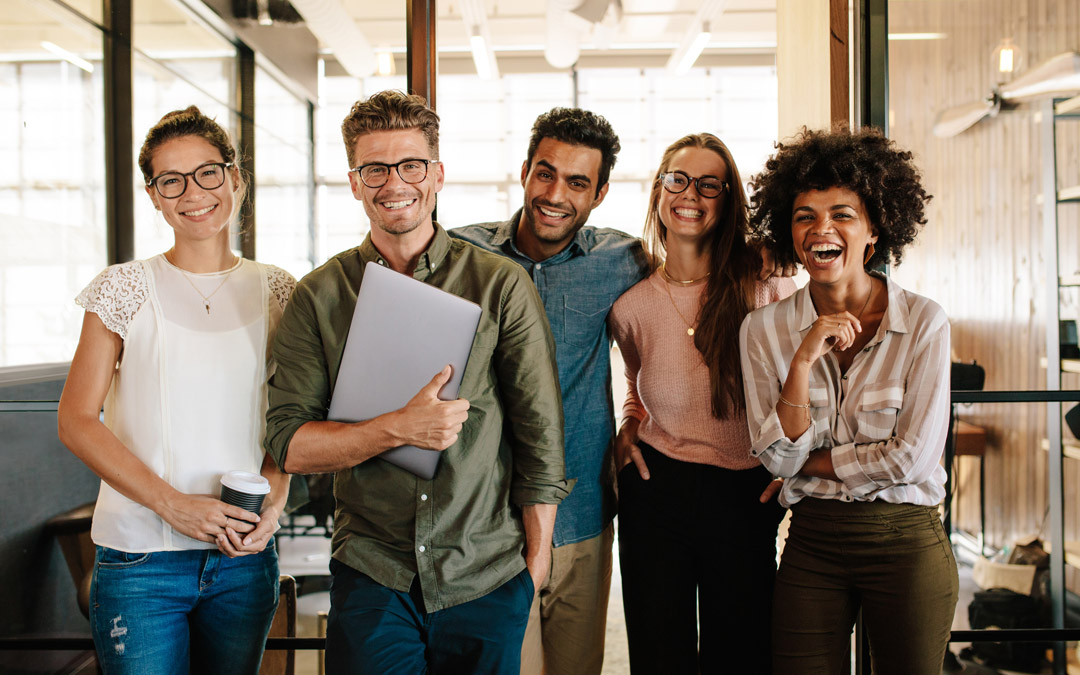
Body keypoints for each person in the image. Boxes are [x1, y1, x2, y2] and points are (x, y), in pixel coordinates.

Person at [263, 90, 570, 675]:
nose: (393, 182)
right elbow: (290, 444)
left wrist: (533, 570)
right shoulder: (320, 296)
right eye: (374, 168)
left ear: (437, 174)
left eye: (410, 165)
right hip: (374, 572)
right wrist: (395, 429)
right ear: (354, 182)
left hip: (485, 571)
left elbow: (541, 439)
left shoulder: (500, 286)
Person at [57, 106, 294, 674]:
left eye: (208, 172)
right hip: (141, 559)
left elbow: (293, 417)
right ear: (154, 195)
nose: (194, 193)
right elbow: (76, 420)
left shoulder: (279, 290)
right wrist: (173, 505)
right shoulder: (123, 287)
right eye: (172, 180)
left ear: (234, 178)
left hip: (241, 560)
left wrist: (276, 500)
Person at [740, 126, 958, 674]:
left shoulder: (924, 322)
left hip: (906, 540)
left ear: (874, 229)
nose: (821, 229)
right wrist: (803, 358)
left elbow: (912, 459)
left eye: (842, 214)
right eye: (805, 216)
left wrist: (805, 462)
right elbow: (770, 459)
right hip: (811, 542)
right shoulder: (762, 330)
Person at [452, 107, 646, 675]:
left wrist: (638, 414)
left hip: (582, 514)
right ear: (524, 172)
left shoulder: (624, 261)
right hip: (485, 525)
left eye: (577, 182)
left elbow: (678, 320)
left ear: (600, 193)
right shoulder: (463, 256)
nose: (556, 193)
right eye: (546, 173)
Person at [609, 133, 795, 674]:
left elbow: (808, 380)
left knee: (740, 652)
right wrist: (627, 424)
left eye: (709, 184)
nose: (691, 194)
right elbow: (636, 382)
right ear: (659, 191)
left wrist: (798, 463)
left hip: (745, 490)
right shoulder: (632, 306)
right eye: (678, 179)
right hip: (656, 490)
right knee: (657, 651)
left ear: (727, 198)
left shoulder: (765, 281)